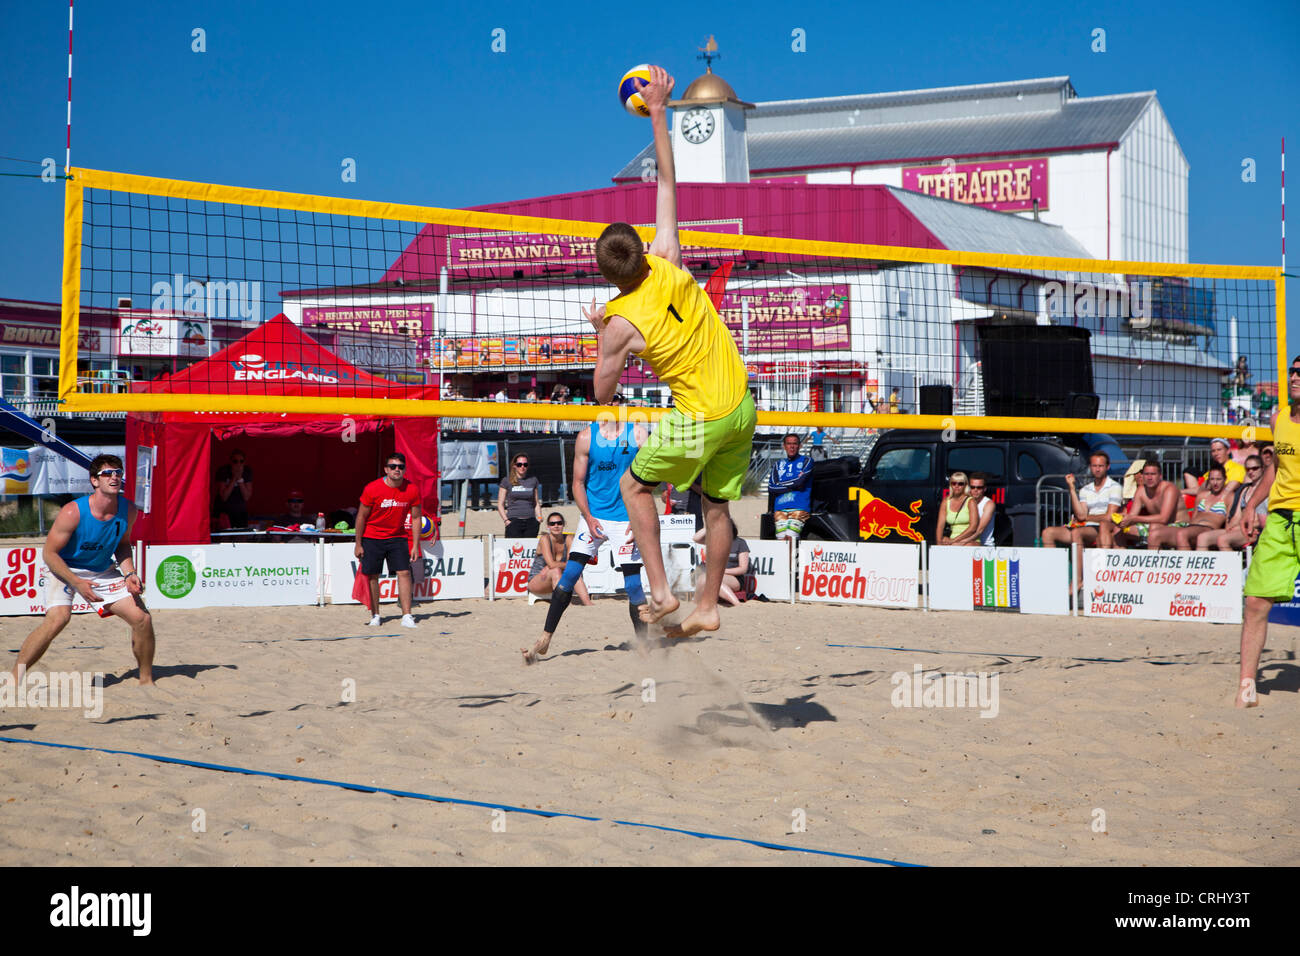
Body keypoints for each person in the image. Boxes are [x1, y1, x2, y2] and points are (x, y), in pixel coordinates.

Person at [586, 64, 757, 640]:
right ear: (640, 247)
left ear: (609, 276)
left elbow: (602, 396)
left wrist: (604, 335)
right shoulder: (669, 256)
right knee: (714, 505)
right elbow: (666, 181)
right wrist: (659, 110)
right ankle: (706, 604)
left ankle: (661, 592)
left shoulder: (618, 321)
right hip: (742, 405)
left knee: (636, 486)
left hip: (702, 415)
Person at [11, 454, 154, 685]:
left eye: (118, 472)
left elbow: (123, 543)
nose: (114, 477)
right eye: (107, 473)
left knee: (142, 619)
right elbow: (49, 554)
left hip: (100, 570)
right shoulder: (73, 511)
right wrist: (76, 582)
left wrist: (130, 573)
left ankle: (146, 681)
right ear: (94, 481)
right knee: (58, 619)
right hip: (65, 568)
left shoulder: (128, 509)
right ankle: (15, 677)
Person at [522, 415, 648, 664]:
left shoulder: (638, 434)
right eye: (608, 398)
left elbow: (649, 479)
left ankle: (644, 644)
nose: (612, 403)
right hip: (594, 516)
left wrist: (639, 517)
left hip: (626, 516)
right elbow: (577, 483)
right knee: (569, 576)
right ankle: (545, 638)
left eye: (617, 398)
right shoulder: (587, 437)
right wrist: (589, 517)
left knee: (633, 585)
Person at [1236, 356, 1300, 707]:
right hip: (1279, 520)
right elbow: (1274, 468)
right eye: (1293, 370)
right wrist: (1249, 505)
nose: (1294, 377)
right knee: (1255, 602)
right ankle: (1247, 686)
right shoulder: (1279, 418)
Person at [354, 453, 422, 628]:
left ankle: (407, 615)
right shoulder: (372, 488)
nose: (397, 469)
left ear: (405, 469)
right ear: (386, 469)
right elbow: (361, 517)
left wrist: (415, 545)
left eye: (400, 466)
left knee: (404, 573)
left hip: (397, 537)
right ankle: (376, 615)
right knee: (373, 576)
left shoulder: (412, 489)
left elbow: (416, 518)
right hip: (372, 537)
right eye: (393, 466)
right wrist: (358, 543)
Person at [1042, 452, 1120, 555]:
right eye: (1094, 466)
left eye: (1101, 466)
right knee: (1048, 533)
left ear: (1107, 467)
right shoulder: (1085, 489)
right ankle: (1053, 569)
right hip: (1087, 527)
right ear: (1090, 467)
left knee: (1077, 532)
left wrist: (1087, 517)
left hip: (1104, 526)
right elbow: (1080, 514)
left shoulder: (1115, 487)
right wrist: (1072, 489)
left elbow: (1109, 517)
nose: (1097, 469)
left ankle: (1078, 571)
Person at [1196, 455, 1267, 551]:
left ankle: (1232, 566)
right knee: (1203, 537)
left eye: (1255, 468)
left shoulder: (1267, 490)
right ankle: (1203, 566)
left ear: (1262, 468)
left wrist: (1240, 526)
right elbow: (1237, 514)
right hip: (1240, 528)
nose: (1251, 472)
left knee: (1222, 540)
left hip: (1255, 529)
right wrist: (1230, 526)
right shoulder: (1245, 489)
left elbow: (1263, 519)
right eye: (1248, 469)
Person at [1155, 464, 1231, 550]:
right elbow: (1194, 516)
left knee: (1182, 534)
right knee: (1155, 535)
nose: (1215, 483)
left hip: (1208, 529)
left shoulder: (1229, 497)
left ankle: (1187, 562)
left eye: (1218, 479)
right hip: (1191, 528)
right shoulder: (1202, 495)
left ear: (1225, 479)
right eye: (1212, 479)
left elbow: (1230, 520)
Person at [525, 512, 591, 607]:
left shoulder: (569, 539)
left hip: (558, 577)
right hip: (538, 579)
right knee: (556, 571)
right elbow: (552, 565)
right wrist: (551, 566)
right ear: (548, 526)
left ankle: (588, 603)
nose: (556, 526)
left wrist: (551, 566)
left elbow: (571, 564)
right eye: (552, 524)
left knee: (574, 571)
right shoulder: (545, 539)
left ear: (564, 524)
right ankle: (560, 605)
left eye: (559, 523)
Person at [1111, 461, 1183, 549]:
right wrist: (1123, 519)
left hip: (1179, 526)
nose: (1149, 477)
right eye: (1146, 474)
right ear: (1143, 476)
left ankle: (1154, 562)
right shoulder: (1141, 491)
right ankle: (1121, 560)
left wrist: (1133, 518)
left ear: (1160, 476)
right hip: (1157, 526)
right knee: (1118, 529)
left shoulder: (1169, 489)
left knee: (1155, 529)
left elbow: (1164, 518)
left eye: (1153, 474)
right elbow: (1132, 516)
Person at [769, 433, 814, 543]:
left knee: (791, 537)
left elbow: (800, 482)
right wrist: (794, 486)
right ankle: (785, 561)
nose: (792, 446)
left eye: (795, 444)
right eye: (789, 444)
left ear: (800, 446)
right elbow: (771, 487)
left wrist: (781, 484)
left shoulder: (807, 461)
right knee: (781, 540)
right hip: (780, 508)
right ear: (784, 446)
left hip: (799, 507)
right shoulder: (778, 464)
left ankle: (792, 561)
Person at [701, 519, 750, 607]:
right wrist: (707, 527)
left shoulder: (740, 543)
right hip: (716, 575)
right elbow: (696, 537)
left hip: (735, 578)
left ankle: (737, 604)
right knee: (708, 579)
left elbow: (743, 569)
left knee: (714, 580)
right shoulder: (715, 542)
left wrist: (723, 571)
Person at [497, 454, 542, 538]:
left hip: (531, 520)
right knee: (513, 548)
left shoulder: (533, 480)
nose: (522, 467)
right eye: (519, 464)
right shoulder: (506, 481)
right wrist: (506, 520)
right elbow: (500, 503)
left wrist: (539, 518)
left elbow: (536, 502)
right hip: (513, 520)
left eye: (525, 464)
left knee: (529, 548)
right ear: (514, 466)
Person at [214, 449, 254, 529]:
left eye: (241, 461)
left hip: (240, 511)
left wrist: (239, 479)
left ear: (244, 462)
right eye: (235, 461)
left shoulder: (247, 471)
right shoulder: (223, 471)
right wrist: (234, 478)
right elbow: (224, 497)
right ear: (231, 462)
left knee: (242, 536)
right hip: (224, 511)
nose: (238, 464)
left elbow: (246, 496)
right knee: (225, 536)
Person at [935, 472, 977, 546]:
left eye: (960, 484)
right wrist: (939, 543)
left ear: (965, 485)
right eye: (954, 483)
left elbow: (973, 528)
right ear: (950, 485)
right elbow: (940, 526)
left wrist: (954, 540)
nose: (957, 486)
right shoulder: (946, 501)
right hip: (951, 540)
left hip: (969, 540)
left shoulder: (971, 501)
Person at [964, 472, 996, 547]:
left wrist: (960, 542)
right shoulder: (965, 501)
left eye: (979, 487)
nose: (975, 490)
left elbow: (979, 531)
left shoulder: (989, 504)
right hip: (966, 543)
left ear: (984, 489)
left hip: (985, 546)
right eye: (972, 487)